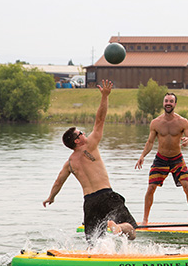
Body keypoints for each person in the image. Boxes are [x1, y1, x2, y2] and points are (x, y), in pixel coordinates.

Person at [43, 79, 137, 241]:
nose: (85, 134)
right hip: (106, 196)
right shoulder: (90, 146)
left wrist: (51, 197)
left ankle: (91, 260)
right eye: (81, 133)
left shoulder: (70, 163)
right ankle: (117, 226)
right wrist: (105, 96)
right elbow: (100, 119)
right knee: (131, 231)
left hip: (90, 203)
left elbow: (58, 182)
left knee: (93, 242)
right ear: (77, 141)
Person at [135, 92, 188, 226]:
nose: (168, 103)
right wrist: (142, 156)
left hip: (177, 159)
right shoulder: (156, 123)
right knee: (151, 187)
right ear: (163, 103)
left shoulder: (182, 122)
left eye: (171, 101)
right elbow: (150, 142)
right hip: (161, 159)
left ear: (175, 104)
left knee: (187, 186)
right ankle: (145, 220)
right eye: (166, 101)